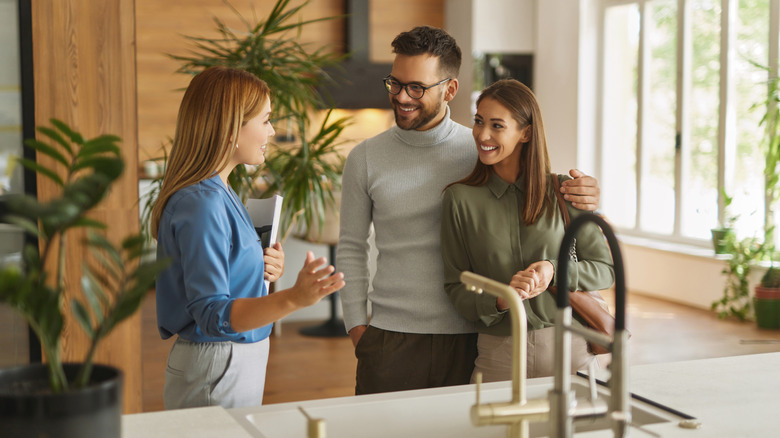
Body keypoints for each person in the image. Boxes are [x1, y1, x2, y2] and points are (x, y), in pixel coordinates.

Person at [336, 26, 601, 395]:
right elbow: (351, 246)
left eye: (416, 87)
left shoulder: (481, 149)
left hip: (473, 333)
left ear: (450, 89)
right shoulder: (364, 158)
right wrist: (356, 328)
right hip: (390, 337)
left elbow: (536, 198)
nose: (401, 97)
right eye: (394, 84)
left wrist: (586, 194)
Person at [151, 66, 345, 409]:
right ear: (231, 129)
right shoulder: (202, 203)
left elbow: (228, 278)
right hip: (218, 364)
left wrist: (264, 265)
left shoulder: (221, 190)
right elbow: (213, 314)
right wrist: (293, 299)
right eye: (266, 119)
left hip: (232, 360)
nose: (272, 131)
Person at [440, 79, 615, 381]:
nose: (482, 135)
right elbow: (456, 287)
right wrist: (498, 298)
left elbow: (605, 270)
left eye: (497, 125)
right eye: (479, 122)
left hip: (569, 345)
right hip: (499, 352)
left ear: (526, 133)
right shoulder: (460, 199)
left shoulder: (565, 192)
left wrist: (553, 270)